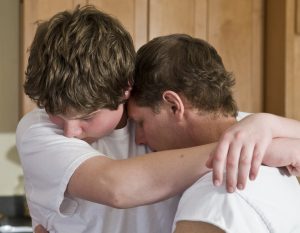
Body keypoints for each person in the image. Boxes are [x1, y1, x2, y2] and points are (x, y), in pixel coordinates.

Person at [16, 6, 226, 233]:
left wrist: (263, 126)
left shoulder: (156, 119)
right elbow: (116, 187)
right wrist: (231, 150)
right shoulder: (36, 129)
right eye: (54, 111)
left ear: (125, 88)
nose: (70, 132)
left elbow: (228, 123)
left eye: (87, 117)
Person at [128, 33, 300, 233]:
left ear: (174, 106)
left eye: (140, 122)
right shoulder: (278, 163)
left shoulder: (215, 197)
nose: (138, 138)